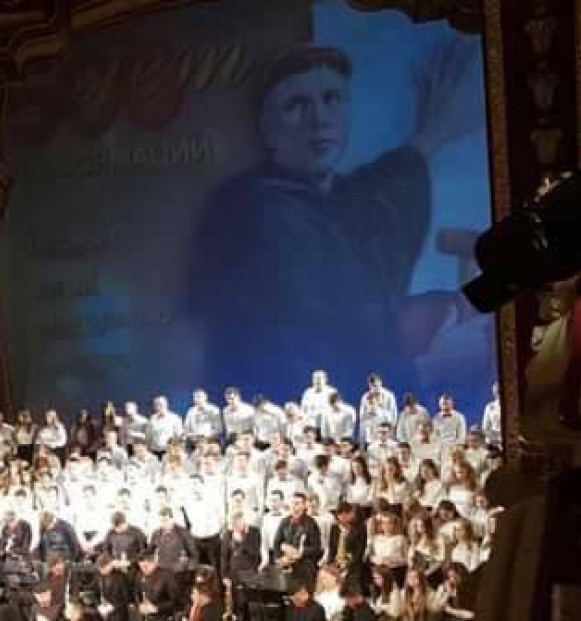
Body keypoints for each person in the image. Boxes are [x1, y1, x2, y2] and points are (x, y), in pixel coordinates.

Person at [188, 40, 480, 393]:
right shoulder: (251, 208)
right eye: (297, 105)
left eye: (332, 99)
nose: (319, 119)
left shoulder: (339, 195)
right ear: (267, 127)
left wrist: (427, 138)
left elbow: (364, 201)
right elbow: (342, 292)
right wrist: (431, 137)